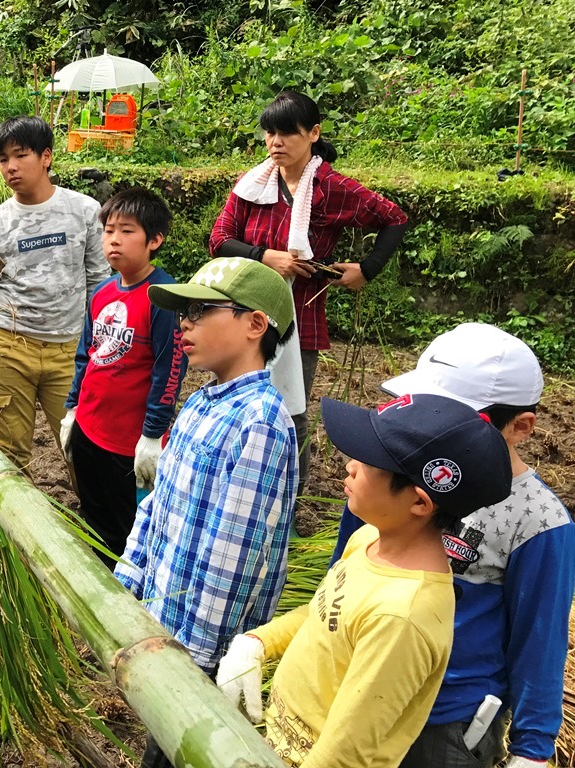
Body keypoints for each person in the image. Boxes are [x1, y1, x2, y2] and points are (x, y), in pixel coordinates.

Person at [219, 393, 513, 768]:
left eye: (369, 461)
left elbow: (347, 754)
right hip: (276, 745)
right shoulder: (368, 539)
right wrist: (259, 642)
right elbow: (325, 614)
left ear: (420, 503)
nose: (350, 466)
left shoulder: (402, 617)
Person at [329, 323, 575, 768]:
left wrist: (532, 749)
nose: (435, 428)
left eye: (460, 420)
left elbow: (539, 638)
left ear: (519, 426)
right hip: (354, 685)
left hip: (446, 724)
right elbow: (343, 570)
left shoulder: (537, 520)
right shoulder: (387, 470)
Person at [113, 256, 297, 768]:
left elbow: (231, 559)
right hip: (162, 624)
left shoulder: (259, 421)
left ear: (254, 324)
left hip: (198, 652)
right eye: (183, 313)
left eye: (200, 312)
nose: (184, 324)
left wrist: (189, 659)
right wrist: (125, 586)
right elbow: (157, 506)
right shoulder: (201, 403)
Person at [208, 90, 408, 498]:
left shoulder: (331, 188)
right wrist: (266, 256)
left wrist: (366, 269)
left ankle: (288, 500)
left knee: (289, 410)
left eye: (287, 134)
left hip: (299, 316)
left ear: (313, 134)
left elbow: (394, 219)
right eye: (269, 134)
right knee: (236, 400)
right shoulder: (252, 184)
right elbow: (219, 239)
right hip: (242, 315)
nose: (275, 143)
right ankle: (236, 486)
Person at [0, 116, 110, 470]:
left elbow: (99, 282)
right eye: (2, 159)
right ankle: (9, 523)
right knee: (8, 452)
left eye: (20, 155)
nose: (10, 167)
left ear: (46, 157)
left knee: (81, 449)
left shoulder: (85, 211)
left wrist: (100, 346)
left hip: (70, 350)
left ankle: (93, 525)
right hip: (9, 347)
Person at [59, 188, 187, 565]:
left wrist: (152, 435)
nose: (114, 239)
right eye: (108, 230)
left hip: (127, 443)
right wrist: (71, 411)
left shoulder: (164, 297)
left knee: (126, 527)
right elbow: (86, 356)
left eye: (127, 231)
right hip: (90, 430)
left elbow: (170, 371)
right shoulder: (101, 292)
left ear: (155, 240)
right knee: (94, 516)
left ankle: (123, 599)